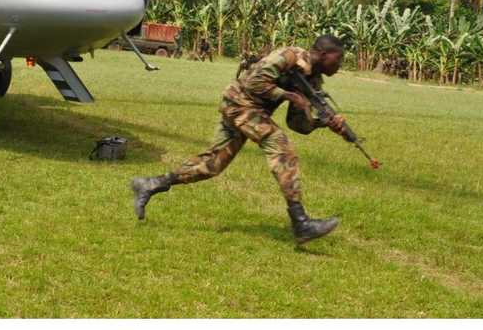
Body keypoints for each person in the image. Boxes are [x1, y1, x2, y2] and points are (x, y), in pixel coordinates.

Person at [130, 34, 351, 244]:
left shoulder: (313, 81)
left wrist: (323, 123)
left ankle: (150, 184)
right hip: (239, 103)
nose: (339, 65)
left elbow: (297, 124)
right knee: (280, 146)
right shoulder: (289, 56)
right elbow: (253, 82)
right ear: (323, 54)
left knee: (212, 164)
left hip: (251, 110)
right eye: (338, 58)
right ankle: (301, 223)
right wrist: (289, 95)